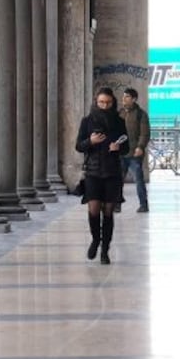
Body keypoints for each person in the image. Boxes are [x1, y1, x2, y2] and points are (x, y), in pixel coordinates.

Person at [76, 87, 129, 264]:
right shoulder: (87, 121)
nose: (104, 105)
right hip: (92, 171)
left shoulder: (119, 122)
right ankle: (95, 240)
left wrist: (118, 147)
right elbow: (78, 146)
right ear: (96, 102)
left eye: (108, 102)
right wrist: (90, 141)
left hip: (112, 171)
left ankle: (105, 250)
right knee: (93, 209)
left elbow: (127, 146)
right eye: (101, 102)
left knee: (108, 211)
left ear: (112, 102)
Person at [120, 87, 151, 213]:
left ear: (134, 99)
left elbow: (145, 133)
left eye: (127, 97)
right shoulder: (120, 113)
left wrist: (140, 147)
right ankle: (116, 204)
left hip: (134, 153)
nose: (124, 99)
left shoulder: (141, 114)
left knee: (138, 180)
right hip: (121, 152)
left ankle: (143, 204)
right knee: (117, 180)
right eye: (123, 96)